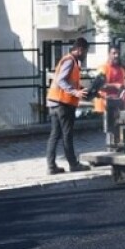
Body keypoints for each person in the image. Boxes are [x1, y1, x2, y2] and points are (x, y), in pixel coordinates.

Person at [44, 38, 92, 175]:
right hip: (63, 104)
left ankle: (51, 166)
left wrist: (82, 90)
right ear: (80, 49)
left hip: (54, 102)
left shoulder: (68, 60)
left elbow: (69, 82)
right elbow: (61, 80)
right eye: (85, 52)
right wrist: (75, 92)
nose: (85, 55)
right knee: (67, 135)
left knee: (55, 135)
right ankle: (73, 164)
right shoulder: (70, 61)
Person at [93, 45, 125, 147]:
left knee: (120, 127)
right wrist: (115, 86)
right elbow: (99, 86)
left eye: (118, 53)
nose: (116, 56)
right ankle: (111, 148)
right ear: (109, 54)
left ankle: (120, 146)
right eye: (114, 53)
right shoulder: (103, 68)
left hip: (120, 103)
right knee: (110, 129)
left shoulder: (122, 68)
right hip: (107, 103)